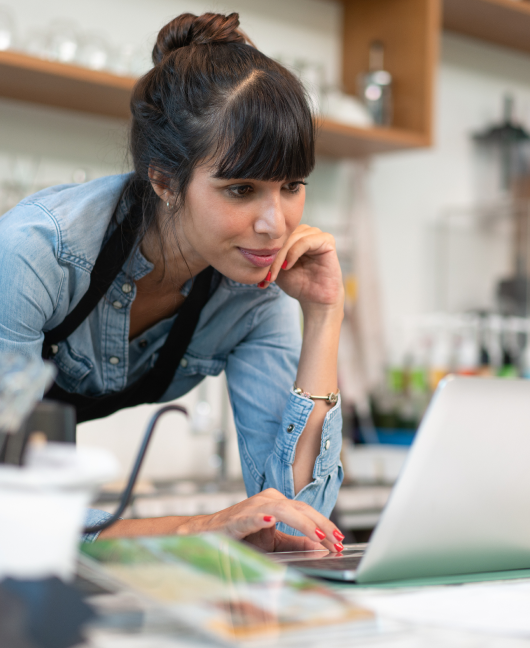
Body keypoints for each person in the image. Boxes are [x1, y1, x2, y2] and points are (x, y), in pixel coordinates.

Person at [0, 12, 345, 553]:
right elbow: (12, 509)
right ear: (163, 181)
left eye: (292, 185)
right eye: (241, 189)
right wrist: (195, 526)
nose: (275, 224)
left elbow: (299, 517)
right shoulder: (38, 252)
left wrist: (324, 316)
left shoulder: (254, 291)